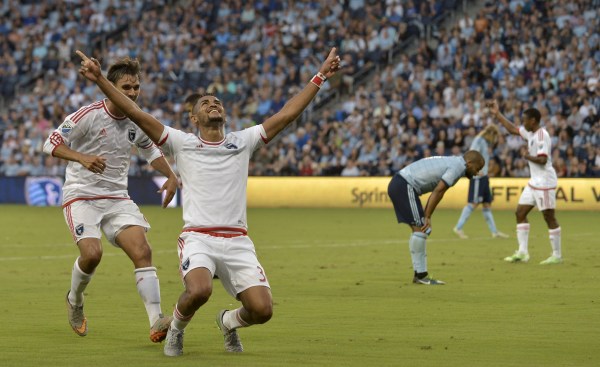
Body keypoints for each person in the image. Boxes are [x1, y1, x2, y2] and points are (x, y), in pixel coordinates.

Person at [76, 48, 341, 356]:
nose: (213, 104)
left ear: (223, 114)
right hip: (198, 237)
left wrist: (320, 76)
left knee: (263, 310)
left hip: (238, 240)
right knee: (200, 289)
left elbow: (287, 114)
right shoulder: (182, 143)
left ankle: (228, 321)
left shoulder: (242, 141)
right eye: (205, 103)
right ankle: (175, 328)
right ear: (194, 117)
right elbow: (136, 114)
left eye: (217, 102)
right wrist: (99, 80)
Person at [42, 57, 179, 342]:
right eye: (126, 87)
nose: (131, 93)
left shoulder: (136, 120)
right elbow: (51, 142)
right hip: (81, 195)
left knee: (143, 251)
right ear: (111, 87)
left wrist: (171, 175)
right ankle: (75, 300)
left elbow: (150, 150)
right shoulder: (87, 115)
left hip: (117, 198)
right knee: (92, 255)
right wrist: (82, 157)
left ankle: (156, 321)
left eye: (136, 87)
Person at [387, 151, 485, 285]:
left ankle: (420, 275)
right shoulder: (458, 167)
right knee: (421, 229)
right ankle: (421, 276)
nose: (477, 173)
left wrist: (427, 215)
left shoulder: (454, 161)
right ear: (469, 163)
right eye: (477, 169)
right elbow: (439, 191)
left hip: (401, 183)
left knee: (419, 230)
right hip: (404, 184)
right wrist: (427, 216)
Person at [486, 100, 563, 265]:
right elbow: (513, 129)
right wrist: (497, 114)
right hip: (534, 182)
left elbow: (542, 159)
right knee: (520, 213)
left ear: (533, 121)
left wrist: (527, 156)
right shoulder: (531, 134)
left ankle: (556, 255)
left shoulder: (542, 135)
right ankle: (522, 253)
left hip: (545, 183)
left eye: (525, 120)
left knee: (549, 217)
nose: (523, 122)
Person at [453, 124, 509, 239]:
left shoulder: (485, 142)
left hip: (484, 177)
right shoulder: (479, 140)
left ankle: (494, 232)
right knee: (473, 203)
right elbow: (471, 156)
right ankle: (458, 228)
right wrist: (475, 170)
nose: (495, 140)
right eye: (495, 136)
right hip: (478, 177)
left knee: (487, 204)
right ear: (491, 134)